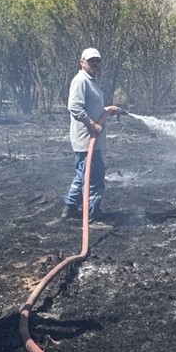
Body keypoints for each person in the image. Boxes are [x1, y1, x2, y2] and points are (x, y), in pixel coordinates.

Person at [63, 47, 120, 222]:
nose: (95, 64)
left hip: (91, 139)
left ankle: (70, 207)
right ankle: (92, 215)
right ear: (82, 63)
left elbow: (91, 108)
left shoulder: (91, 81)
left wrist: (106, 110)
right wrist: (92, 124)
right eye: (91, 61)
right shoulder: (81, 80)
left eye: (97, 60)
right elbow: (74, 107)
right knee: (95, 176)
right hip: (87, 139)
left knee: (83, 174)